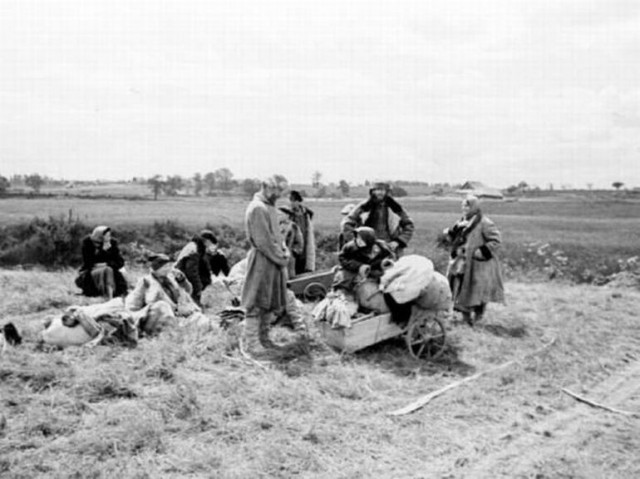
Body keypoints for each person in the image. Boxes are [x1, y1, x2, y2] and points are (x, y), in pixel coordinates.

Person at [241, 176, 291, 357]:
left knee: (268, 302)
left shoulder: (268, 207)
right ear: (265, 187)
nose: (278, 195)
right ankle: (251, 343)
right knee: (256, 302)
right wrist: (281, 257)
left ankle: (264, 338)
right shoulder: (257, 208)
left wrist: (284, 251)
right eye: (275, 190)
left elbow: (277, 237)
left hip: (273, 261)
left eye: (280, 191)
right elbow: (264, 241)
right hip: (263, 261)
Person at [442, 195, 505, 325]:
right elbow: (456, 239)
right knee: (459, 289)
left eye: (467, 205)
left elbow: (496, 240)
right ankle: (465, 318)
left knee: (477, 292)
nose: (464, 208)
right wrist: (450, 234)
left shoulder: (484, 222)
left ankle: (478, 317)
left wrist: (481, 252)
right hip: (460, 262)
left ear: (474, 207)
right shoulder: (460, 222)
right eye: (463, 205)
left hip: (478, 264)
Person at [125, 253, 203, 336]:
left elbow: (188, 291)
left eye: (169, 266)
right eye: (165, 267)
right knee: (162, 306)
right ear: (157, 269)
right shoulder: (146, 281)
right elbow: (142, 302)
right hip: (150, 315)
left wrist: (182, 280)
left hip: (173, 313)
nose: (168, 269)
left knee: (196, 313)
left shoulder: (170, 278)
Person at [341, 181, 415, 256]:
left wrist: (398, 241)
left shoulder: (396, 208)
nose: (379, 192)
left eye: (382, 190)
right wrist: (357, 242)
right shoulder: (363, 207)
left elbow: (409, 225)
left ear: (387, 192)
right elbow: (347, 223)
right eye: (376, 190)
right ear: (372, 192)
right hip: (367, 248)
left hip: (390, 247)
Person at [333, 226, 394, 293]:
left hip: (376, 270)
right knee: (345, 279)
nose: (358, 240)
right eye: (357, 237)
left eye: (361, 238)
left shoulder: (381, 246)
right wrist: (359, 266)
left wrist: (384, 262)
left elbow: (391, 256)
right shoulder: (350, 247)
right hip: (355, 271)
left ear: (369, 239)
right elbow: (342, 258)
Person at [75, 225, 128, 299]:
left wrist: (107, 261)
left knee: (109, 271)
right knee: (89, 277)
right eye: (106, 236)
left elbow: (120, 262)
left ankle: (112, 293)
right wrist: (102, 252)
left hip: (110, 268)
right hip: (92, 269)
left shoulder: (112, 243)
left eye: (109, 235)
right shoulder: (88, 243)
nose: (108, 237)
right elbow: (88, 262)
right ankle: (97, 292)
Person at [174, 230, 218, 307]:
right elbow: (191, 271)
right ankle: (193, 302)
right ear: (207, 241)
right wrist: (198, 288)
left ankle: (196, 301)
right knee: (196, 284)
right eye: (210, 243)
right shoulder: (194, 249)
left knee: (204, 279)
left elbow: (204, 265)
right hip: (181, 275)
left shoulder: (198, 246)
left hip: (185, 272)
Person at [288, 190, 316, 274]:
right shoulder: (289, 213)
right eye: (290, 200)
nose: (292, 203)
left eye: (293, 200)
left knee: (303, 267)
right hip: (294, 245)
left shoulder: (306, 213)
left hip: (304, 243)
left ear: (298, 201)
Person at [278, 207, 304, 278]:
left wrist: (294, 251)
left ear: (287, 215)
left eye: (281, 214)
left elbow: (299, 241)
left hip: (289, 255)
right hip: (278, 254)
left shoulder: (293, 226)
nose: (278, 216)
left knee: (289, 275)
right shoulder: (276, 225)